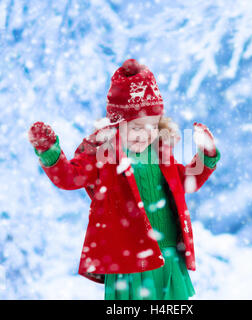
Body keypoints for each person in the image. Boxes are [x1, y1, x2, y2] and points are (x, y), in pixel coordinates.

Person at [28, 58, 221, 300]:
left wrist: (207, 156)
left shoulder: (159, 152)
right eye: (136, 127)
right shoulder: (104, 152)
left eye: (152, 126)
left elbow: (185, 183)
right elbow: (71, 178)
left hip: (169, 254)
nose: (145, 134)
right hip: (132, 259)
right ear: (118, 124)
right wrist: (50, 153)